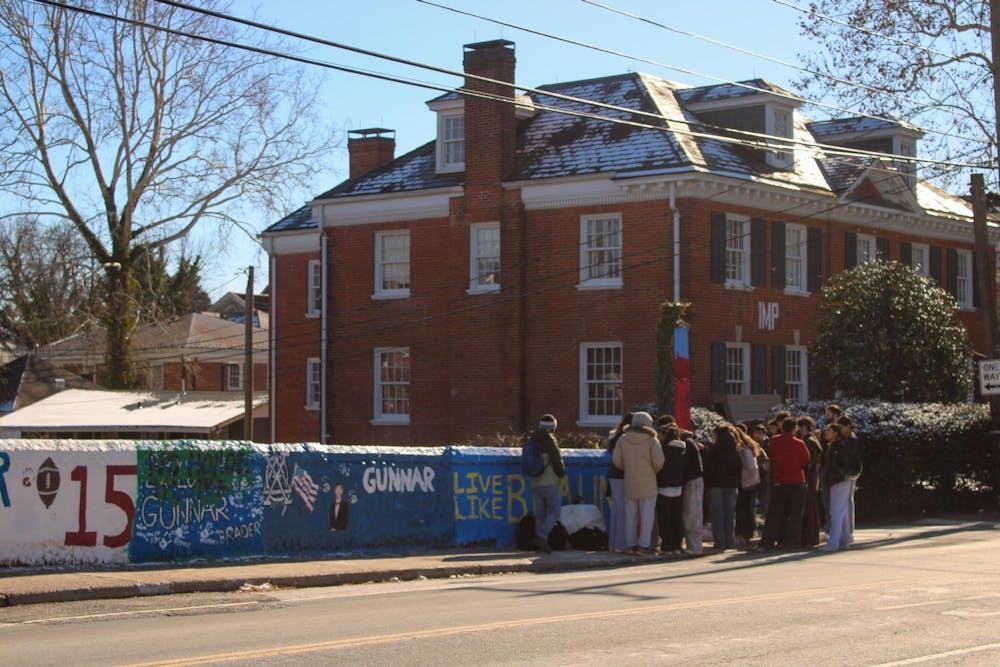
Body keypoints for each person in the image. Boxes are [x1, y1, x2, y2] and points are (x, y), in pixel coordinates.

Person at [612, 411, 664, 554]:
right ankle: (643, 546)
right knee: (647, 517)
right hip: (648, 483)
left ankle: (631, 545)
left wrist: (627, 468)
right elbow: (659, 462)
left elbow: (617, 461)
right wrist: (652, 470)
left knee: (630, 516)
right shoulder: (652, 440)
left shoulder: (623, 439)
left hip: (630, 481)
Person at [758, 418, 810, 551]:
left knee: (774, 513)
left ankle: (767, 542)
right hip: (797, 480)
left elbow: (771, 456)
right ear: (794, 429)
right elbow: (805, 460)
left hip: (780, 480)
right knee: (795, 515)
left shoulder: (774, 440)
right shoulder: (799, 443)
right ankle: (793, 543)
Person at [822, 415, 864, 552]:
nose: (826, 433)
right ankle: (844, 539)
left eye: (829, 431)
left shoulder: (838, 445)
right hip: (842, 478)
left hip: (839, 479)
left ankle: (833, 542)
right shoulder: (843, 443)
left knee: (836, 511)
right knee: (843, 510)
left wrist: (843, 474)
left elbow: (837, 463)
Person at [528, 413, 566, 553]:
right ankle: (541, 537)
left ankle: (539, 542)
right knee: (555, 511)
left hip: (535, 481)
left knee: (540, 514)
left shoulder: (532, 439)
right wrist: (561, 474)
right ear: (553, 427)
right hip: (549, 481)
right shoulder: (550, 439)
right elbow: (556, 460)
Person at [704, 425, 743, 551]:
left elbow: (708, 468)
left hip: (716, 485)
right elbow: (739, 468)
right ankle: (729, 541)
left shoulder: (714, 450)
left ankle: (720, 542)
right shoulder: (735, 451)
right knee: (730, 515)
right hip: (732, 485)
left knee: (717, 515)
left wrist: (708, 481)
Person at [655, 424, 687, 555]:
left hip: (664, 487)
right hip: (678, 487)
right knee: (676, 518)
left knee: (665, 519)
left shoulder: (663, 449)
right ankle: (677, 545)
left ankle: (667, 546)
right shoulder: (683, 448)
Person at [735, 427, 767, 545]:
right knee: (749, 508)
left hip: (746, 482)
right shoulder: (750, 446)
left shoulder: (744, 448)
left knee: (745, 508)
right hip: (752, 482)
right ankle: (749, 532)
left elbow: (751, 467)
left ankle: (745, 533)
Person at [606, 412, 632, 553]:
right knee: (623, 511)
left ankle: (613, 543)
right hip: (621, 475)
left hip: (612, 476)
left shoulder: (615, 436)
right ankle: (621, 544)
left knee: (616, 511)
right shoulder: (625, 438)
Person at [797, 416, 824, 547]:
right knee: (812, 508)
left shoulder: (807, 442)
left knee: (808, 509)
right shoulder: (814, 441)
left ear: (803, 427)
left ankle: (809, 538)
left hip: (808, 478)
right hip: (813, 478)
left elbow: (807, 463)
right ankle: (813, 536)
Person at [751, 423, 772, 515]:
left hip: (766, 475)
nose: (757, 435)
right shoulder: (751, 444)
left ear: (764, 434)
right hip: (755, 474)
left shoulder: (769, 444)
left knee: (766, 497)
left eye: (760, 433)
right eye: (756, 433)